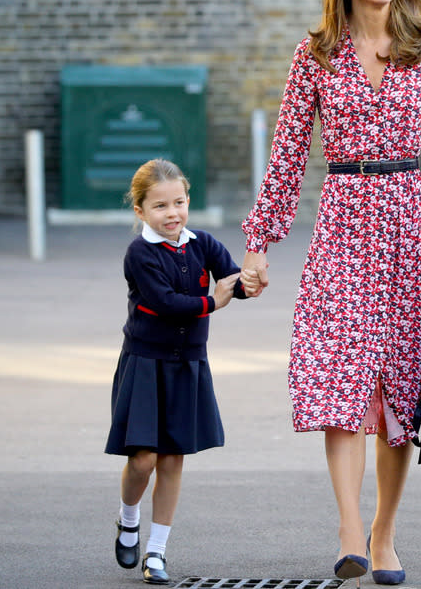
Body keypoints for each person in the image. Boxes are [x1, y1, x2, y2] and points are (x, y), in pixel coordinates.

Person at [239, 0, 421, 585]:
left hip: (407, 230)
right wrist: (259, 244)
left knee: (401, 391)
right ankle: (349, 528)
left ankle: (384, 533)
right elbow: (287, 158)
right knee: (341, 377)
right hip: (342, 225)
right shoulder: (313, 53)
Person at [106, 158, 251, 585]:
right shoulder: (139, 254)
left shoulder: (202, 243)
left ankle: (156, 552)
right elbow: (165, 303)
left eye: (180, 203)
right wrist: (214, 301)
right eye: (160, 206)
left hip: (188, 364)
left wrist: (250, 281)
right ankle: (128, 518)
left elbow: (232, 280)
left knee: (172, 460)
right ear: (140, 211)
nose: (172, 214)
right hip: (145, 363)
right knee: (143, 460)